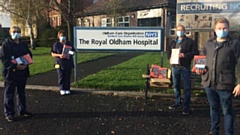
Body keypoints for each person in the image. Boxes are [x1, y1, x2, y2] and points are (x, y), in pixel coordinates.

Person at [197, 18, 240, 135]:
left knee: (227, 111)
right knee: (213, 108)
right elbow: (201, 59)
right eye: (219, 28)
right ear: (215, 30)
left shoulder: (234, 44)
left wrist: (239, 83)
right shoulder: (209, 44)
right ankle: (214, 131)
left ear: (228, 29)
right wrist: (200, 68)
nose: (222, 30)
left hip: (225, 83)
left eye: (224, 28)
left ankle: (228, 133)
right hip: (209, 82)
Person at [0, 26, 33, 122]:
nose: (16, 33)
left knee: (21, 92)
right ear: (10, 33)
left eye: (18, 31)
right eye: (14, 31)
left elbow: (29, 54)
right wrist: (14, 66)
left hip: (22, 72)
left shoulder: (23, 43)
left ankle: (22, 110)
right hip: (11, 73)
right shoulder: (6, 44)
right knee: (9, 94)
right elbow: (4, 60)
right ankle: (9, 113)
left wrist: (27, 62)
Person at [167, 25, 199, 115]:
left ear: (184, 31)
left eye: (181, 30)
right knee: (176, 86)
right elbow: (169, 52)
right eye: (178, 30)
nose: (180, 32)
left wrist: (184, 55)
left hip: (185, 67)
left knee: (186, 88)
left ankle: (186, 107)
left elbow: (195, 53)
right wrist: (169, 58)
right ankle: (178, 102)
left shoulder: (190, 42)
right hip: (175, 67)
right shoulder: (172, 42)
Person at [51, 30, 75, 95]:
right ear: (58, 36)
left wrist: (68, 53)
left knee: (67, 76)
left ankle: (67, 88)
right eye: (61, 36)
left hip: (68, 62)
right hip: (58, 63)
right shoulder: (56, 44)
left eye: (64, 36)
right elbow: (53, 54)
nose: (63, 37)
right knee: (60, 75)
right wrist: (59, 55)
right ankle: (62, 88)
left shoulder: (69, 43)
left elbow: (73, 51)